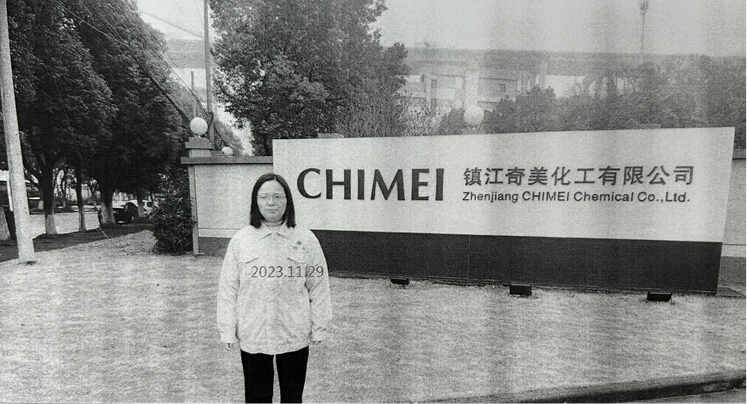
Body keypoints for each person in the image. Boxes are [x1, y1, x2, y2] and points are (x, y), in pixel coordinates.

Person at [217, 173, 331, 404]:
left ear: (288, 201)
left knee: (292, 397)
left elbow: (319, 286)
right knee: (257, 397)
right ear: (255, 201)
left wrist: (320, 326)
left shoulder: (306, 239)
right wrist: (227, 328)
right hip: (254, 332)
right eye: (264, 197)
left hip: (293, 330)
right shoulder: (241, 240)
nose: (271, 203)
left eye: (278, 197)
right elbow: (228, 288)